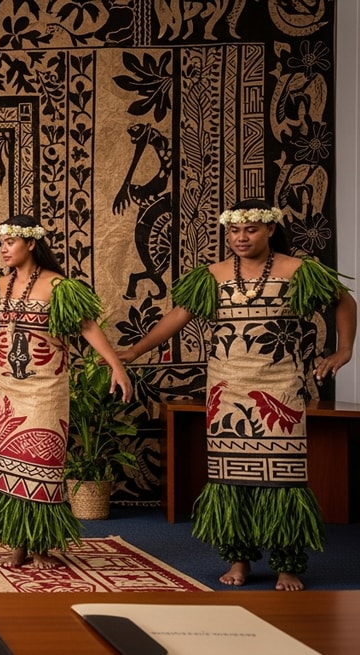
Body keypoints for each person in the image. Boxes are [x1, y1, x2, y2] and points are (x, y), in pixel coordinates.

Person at [117, 199, 356, 591]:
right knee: (230, 479)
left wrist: (344, 350)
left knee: (284, 480)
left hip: (280, 388)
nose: (241, 238)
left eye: (251, 229)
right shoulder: (212, 275)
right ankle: (239, 560)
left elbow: (344, 301)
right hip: (227, 390)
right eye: (234, 231)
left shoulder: (299, 271)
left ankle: (287, 564)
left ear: (270, 230)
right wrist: (135, 350)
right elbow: (179, 316)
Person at [0, 214, 132, 569]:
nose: (3, 248)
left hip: (45, 388)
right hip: (5, 388)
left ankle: (41, 544)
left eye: (10, 242)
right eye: (1, 242)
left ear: (31, 243)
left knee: (40, 465)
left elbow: (87, 326)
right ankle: (18, 541)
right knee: (9, 467)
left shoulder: (60, 286)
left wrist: (115, 365)